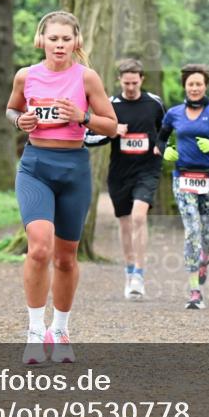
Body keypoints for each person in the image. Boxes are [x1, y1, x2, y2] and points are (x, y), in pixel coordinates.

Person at [6, 11, 118, 364]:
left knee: (66, 257)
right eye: (53, 38)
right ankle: (35, 331)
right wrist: (19, 120)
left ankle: (61, 328)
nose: (59, 45)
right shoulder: (26, 76)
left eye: (65, 39)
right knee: (39, 248)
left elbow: (113, 127)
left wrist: (82, 117)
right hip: (36, 166)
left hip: (74, 169)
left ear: (76, 42)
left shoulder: (87, 79)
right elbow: (11, 110)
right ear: (41, 40)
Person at [155, 64, 209, 310]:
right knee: (192, 231)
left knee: (208, 237)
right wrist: (165, 150)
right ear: (185, 86)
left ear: (205, 86)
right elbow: (160, 138)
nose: (194, 88)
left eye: (199, 84)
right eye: (190, 84)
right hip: (183, 179)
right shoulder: (174, 113)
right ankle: (194, 291)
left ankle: (205, 258)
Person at [85, 58, 165, 301]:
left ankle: (139, 274)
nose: (130, 87)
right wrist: (112, 131)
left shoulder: (155, 104)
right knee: (125, 224)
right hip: (120, 172)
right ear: (119, 80)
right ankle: (129, 271)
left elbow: (167, 131)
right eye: (126, 83)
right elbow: (88, 138)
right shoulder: (110, 105)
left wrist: (162, 147)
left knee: (139, 217)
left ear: (141, 79)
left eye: (134, 82)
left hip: (147, 170)